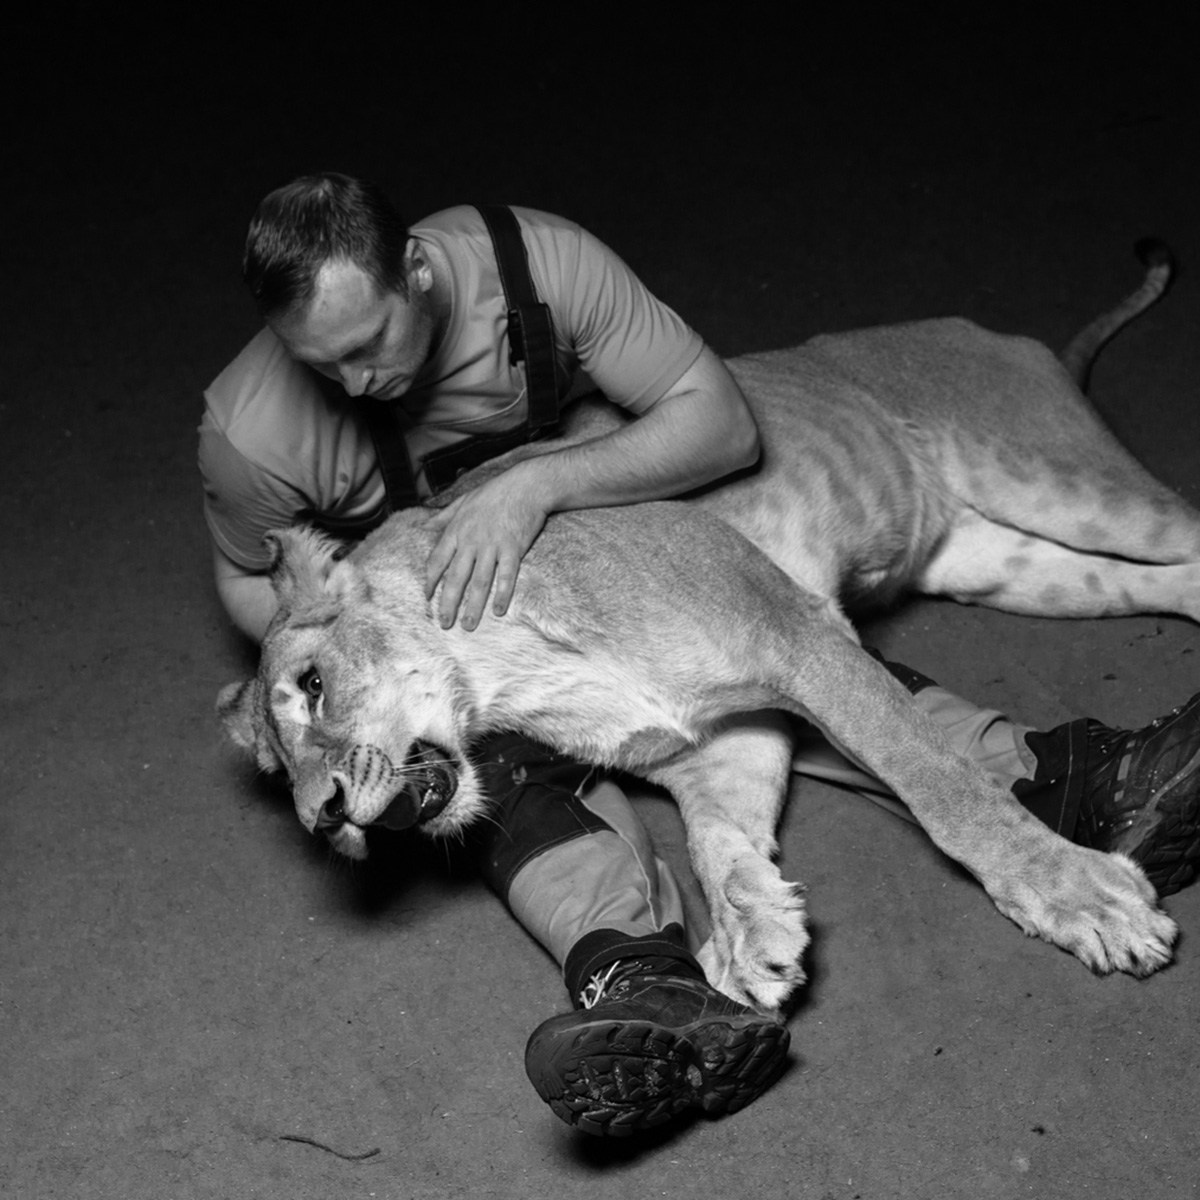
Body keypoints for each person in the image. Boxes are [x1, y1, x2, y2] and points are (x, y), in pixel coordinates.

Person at [201, 172, 1200, 1137]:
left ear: (415, 270)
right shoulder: (253, 433)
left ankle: (1049, 792)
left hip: (897, 409)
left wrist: (535, 487)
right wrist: (729, 858)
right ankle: (644, 971)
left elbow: (718, 435)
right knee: (585, 734)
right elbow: (261, 591)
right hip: (445, 565)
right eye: (323, 365)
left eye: (368, 344)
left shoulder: (536, 262)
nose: (355, 382)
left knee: (1145, 539)